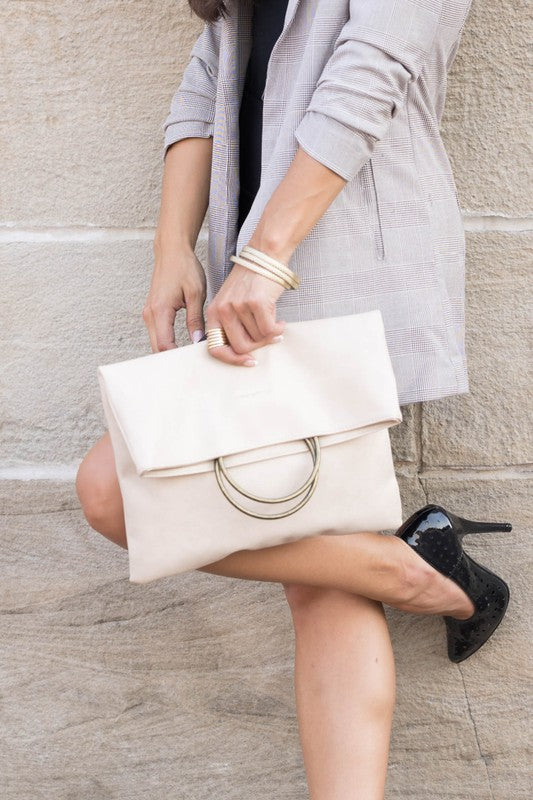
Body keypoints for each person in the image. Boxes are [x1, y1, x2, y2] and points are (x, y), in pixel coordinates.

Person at [75, 1, 512, 797]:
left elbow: (368, 75)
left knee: (137, 501)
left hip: (334, 271)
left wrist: (267, 257)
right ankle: (418, 571)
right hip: (251, 282)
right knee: (140, 503)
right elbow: (207, 77)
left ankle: (418, 575)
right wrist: (172, 246)